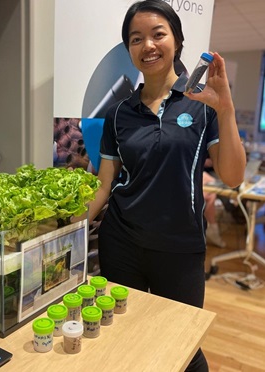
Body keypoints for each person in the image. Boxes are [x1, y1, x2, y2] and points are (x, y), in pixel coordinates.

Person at [76, 1, 246, 371]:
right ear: (130, 50)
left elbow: (233, 177)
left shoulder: (203, 104)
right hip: (121, 243)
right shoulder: (119, 113)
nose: (147, 45)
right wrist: (67, 229)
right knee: (123, 335)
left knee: (183, 345)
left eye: (157, 34)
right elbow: (104, 185)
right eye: (136, 39)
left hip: (180, 249)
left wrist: (226, 108)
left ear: (177, 40)